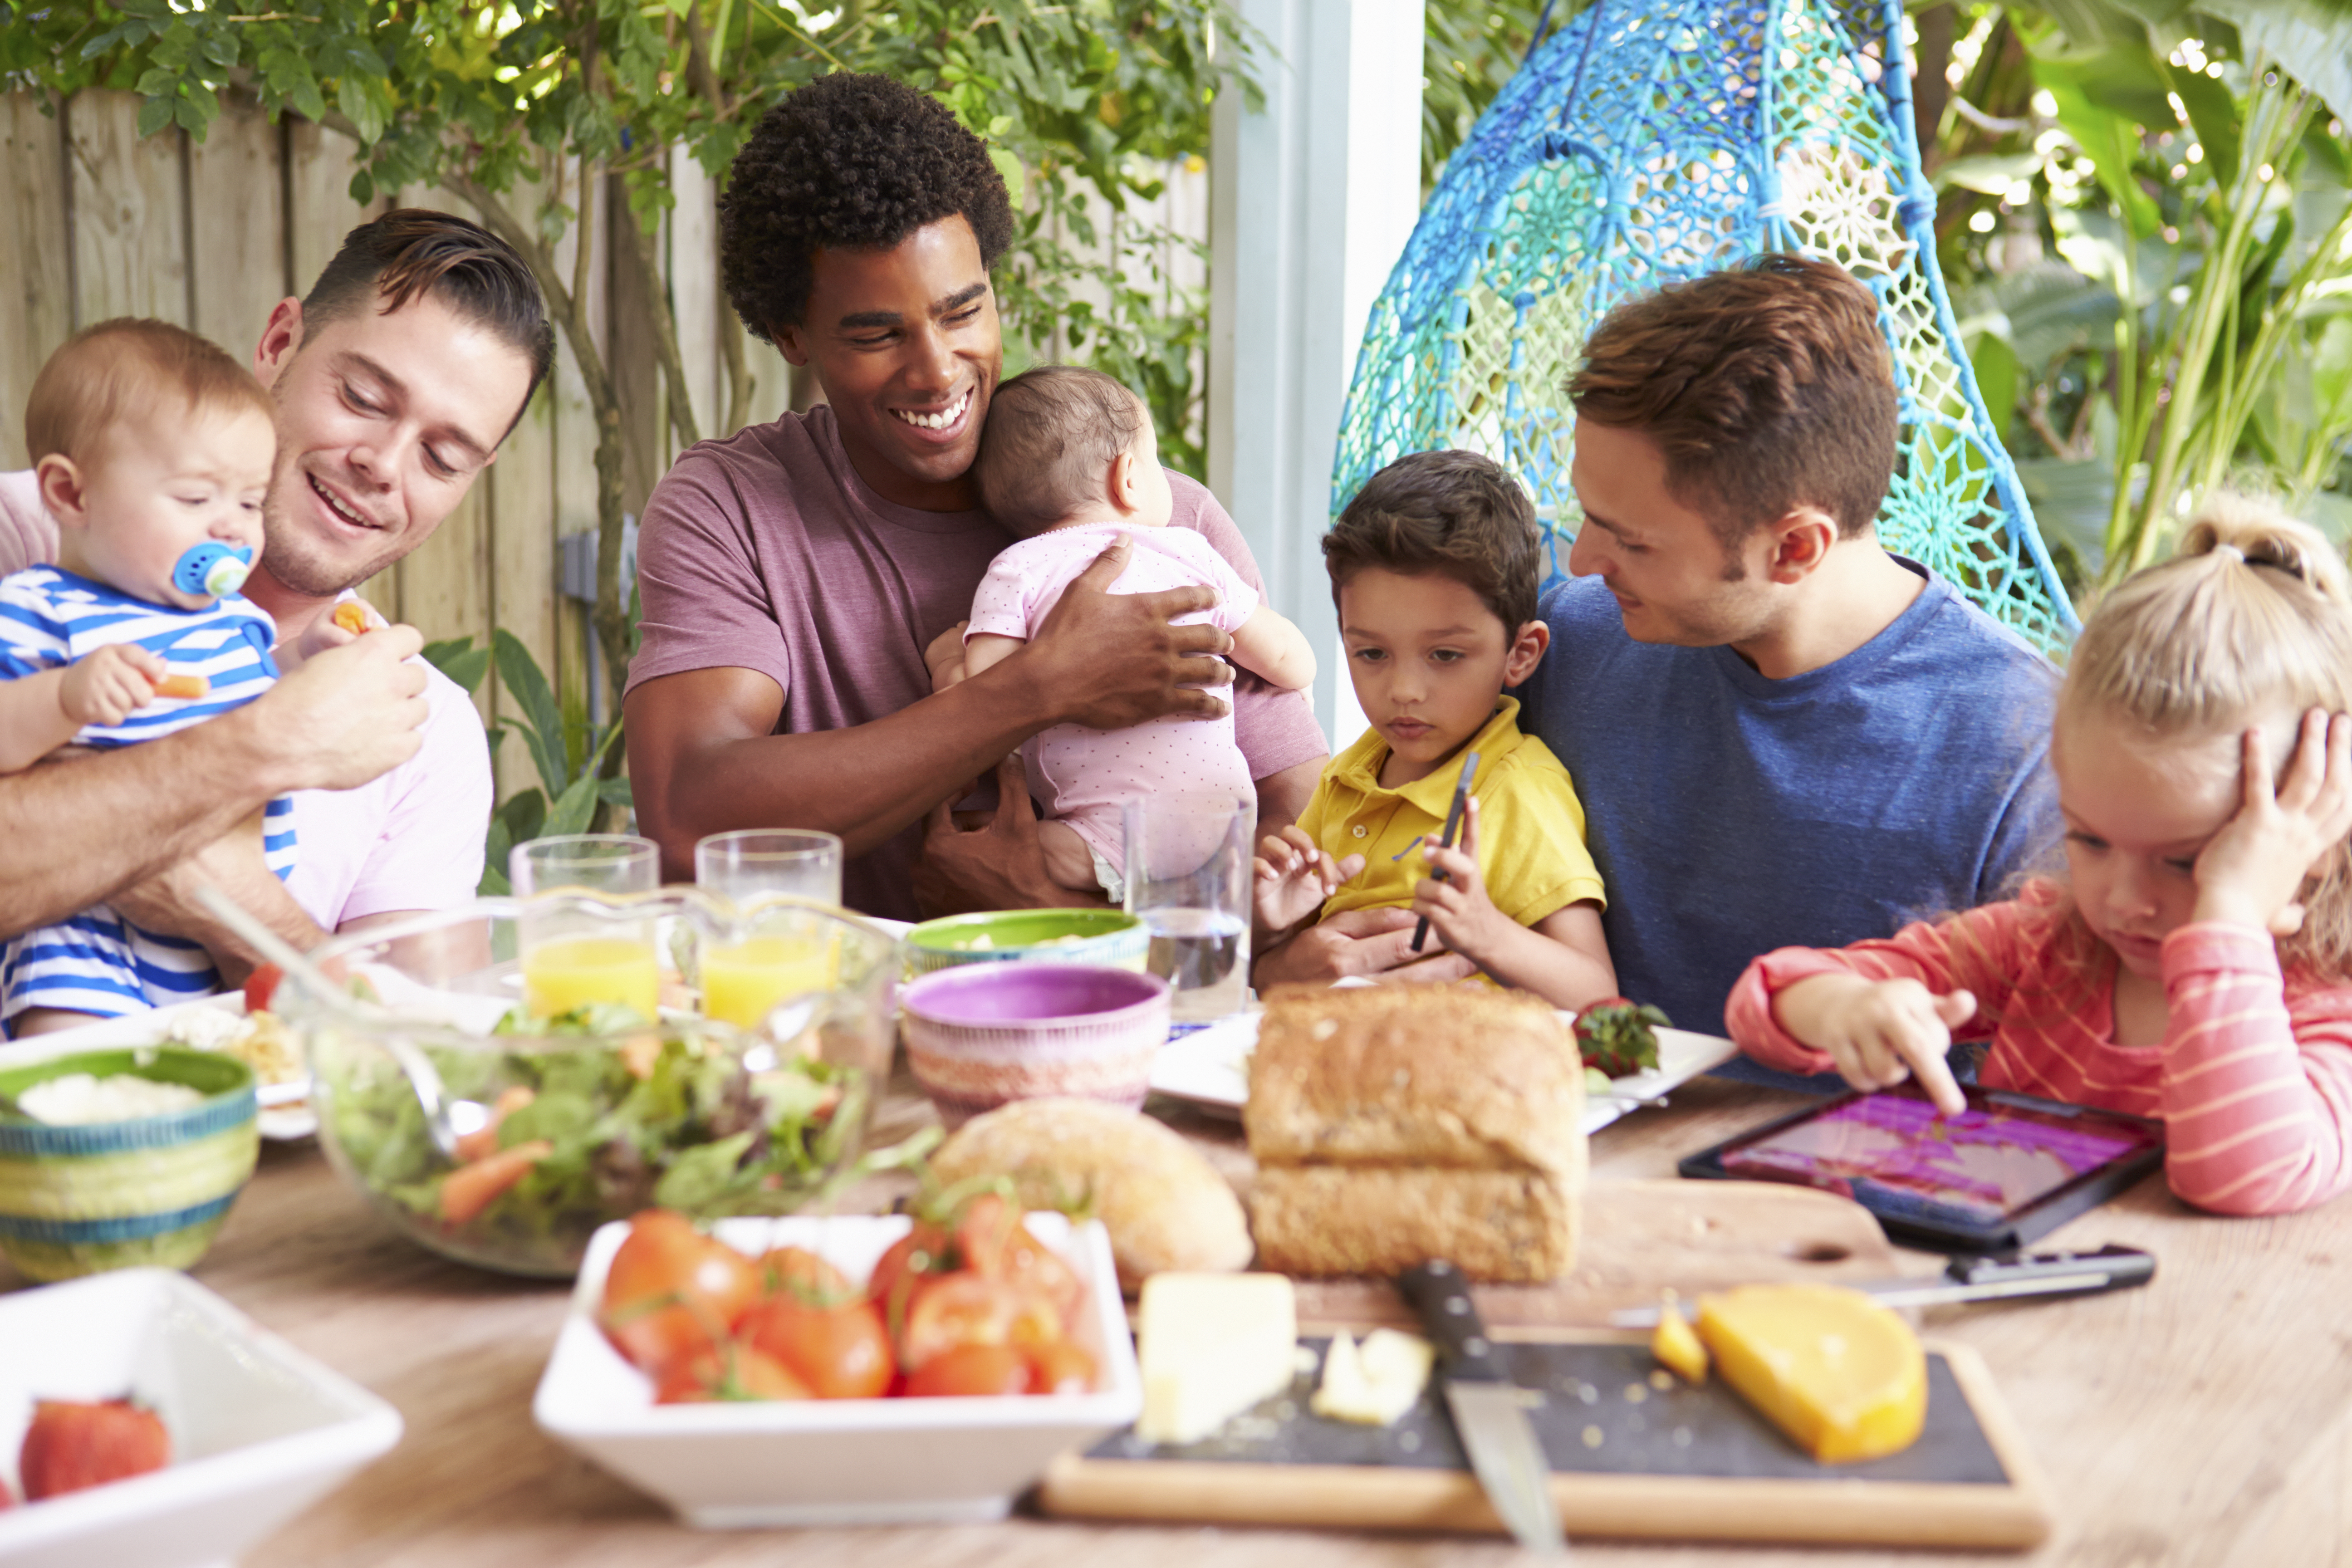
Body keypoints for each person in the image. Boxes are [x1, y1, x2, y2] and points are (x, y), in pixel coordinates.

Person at [622, 72, 1329, 925]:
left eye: (963, 311)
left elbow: (1289, 805)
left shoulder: (1156, 516)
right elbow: (690, 814)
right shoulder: (731, 509)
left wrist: (1058, 908)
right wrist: (1036, 688)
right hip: (846, 1016)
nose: (936, 370)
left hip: (1114, 998)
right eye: (877, 334)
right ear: (791, 335)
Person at [1726, 497, 2352, 1217]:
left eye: (2185, 863)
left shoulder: (2324, 1008)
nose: (2121, 899)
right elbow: (1766, 998)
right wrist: (1845, 1007)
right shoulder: (2047, 946)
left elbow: (2242, 1175)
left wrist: (2230, 922)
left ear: (2320, 829)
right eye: (2090, 840)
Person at [1510, 254, 2061, 1052]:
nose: (1582, 561)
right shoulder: (1563, 643)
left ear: (1794, 547)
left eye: (1630, 540)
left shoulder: (2022, 750)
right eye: (1587, 514)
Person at [0, 209, 551, 977]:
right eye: (363, 396)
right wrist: (267, 746)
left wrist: (237, 910)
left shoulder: (419, 730)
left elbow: (424, 1055)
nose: (384, 464)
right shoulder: (23, 539)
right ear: (278, 345)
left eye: (442, 455)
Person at [0, 322, 294, 1031]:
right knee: (85, 1093)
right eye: (196, 499)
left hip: (223, 943)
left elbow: (267, 702)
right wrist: (64, 698)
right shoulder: (37, 608)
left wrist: (312, 672)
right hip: (83, 933)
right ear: (72, 495)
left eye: (251, 502)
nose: (231, 528)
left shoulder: (236, 621)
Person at [1252, 450, 1615, 1011]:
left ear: (1520, 654)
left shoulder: (1519, 790)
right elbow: (1293, 961)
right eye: (1371, 652)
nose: (1404, 689)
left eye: (1444, 654)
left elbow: (1596, 992)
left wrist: (1485, 930)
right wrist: (1274, 923)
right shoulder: (1346, 776)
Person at [937, 365, 1315, 900]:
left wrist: (949, 665)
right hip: (1225, 827)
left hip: (1101, 835)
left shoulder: (1017, 568)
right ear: (1129, 477)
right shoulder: (1187, 550)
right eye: (1158, 462)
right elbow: (1284, 656)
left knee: (988, 854)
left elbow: (989, 693)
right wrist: (1301, 670)